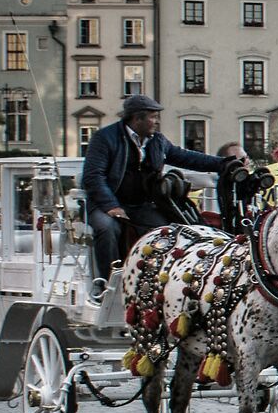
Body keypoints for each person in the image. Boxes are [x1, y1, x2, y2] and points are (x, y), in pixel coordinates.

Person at [80, 94, 237, 284]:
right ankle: (107, 283)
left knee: (166, 231)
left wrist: (224, 164)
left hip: (139, 205)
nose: (157, 121)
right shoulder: (105, 138)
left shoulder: (157, 141)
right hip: (106, 204)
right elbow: (93, 176)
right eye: (152, 117)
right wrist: (110, 205)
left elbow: (185, 157)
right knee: (107, 229)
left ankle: (153, 282)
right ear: (137, 118)